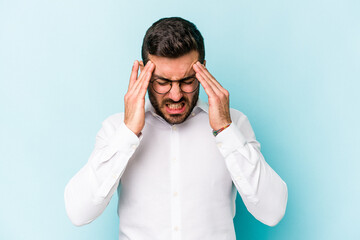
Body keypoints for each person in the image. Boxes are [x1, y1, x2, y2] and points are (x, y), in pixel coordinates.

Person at [64, 17, 288, 240]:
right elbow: (79, 212)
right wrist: (128, 133)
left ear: (203, 70)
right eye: (163, 82)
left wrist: (225, 130)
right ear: (145, 75)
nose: (176, 95)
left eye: (187, 81)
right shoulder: (115, 129)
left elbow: (272, 212)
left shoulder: (235, 124)